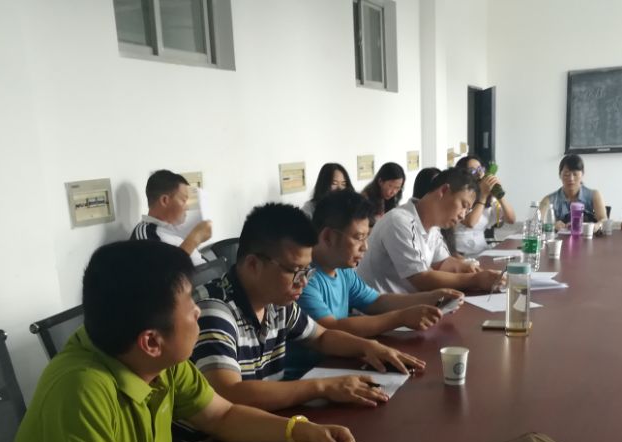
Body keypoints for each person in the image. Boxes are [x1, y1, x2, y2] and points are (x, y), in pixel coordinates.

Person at [3, 240, 363, 442]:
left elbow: (222, 415)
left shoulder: (153, 358)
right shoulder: (81, 388)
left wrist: (301, 432)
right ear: (151, 341)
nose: (198, 312)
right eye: (190, 305)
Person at [186, 202, 424, 418]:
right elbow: (230, 393)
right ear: (253, 264)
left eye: (307, 270)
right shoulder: (213, 310)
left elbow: (321, 336)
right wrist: (322, 387)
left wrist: (369, 347)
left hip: (265, 419)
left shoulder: (277, 301)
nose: (303, 281)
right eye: (294, 271)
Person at [286, 190, 464, 377]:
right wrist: (400, 317)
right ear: (328, 237)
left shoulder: (343, 270)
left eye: (366, 237)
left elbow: (376, 301)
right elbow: (331, 329)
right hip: (308, 373)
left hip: (338, 362)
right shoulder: (303, 279)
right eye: (358, 237)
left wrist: (430, 298)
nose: (365, 247)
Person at [356, 168, 504, 294]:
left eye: (467, 210)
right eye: (464, 205)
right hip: (378, 311)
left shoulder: (433, 226)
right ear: (444, 191)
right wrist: (475, 279)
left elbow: (443, 263)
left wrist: (468, 268)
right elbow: (421, 279)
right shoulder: (400, 221)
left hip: (406, 307)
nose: (463, 215)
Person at [129, 170, 213, 265]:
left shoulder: (177, 231)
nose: (187, 207)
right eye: (183, 200)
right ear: (165, 200)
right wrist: (194, 239)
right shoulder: (145, 234)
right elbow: (161, 271)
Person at [445, 154, 517, 257]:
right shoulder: (458, 195)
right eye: (472, 171)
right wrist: (483, 196)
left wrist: (499, 194)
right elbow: (470, 222)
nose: (479, 174)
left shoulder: (489, 198)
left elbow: (511, 220)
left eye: (480, 169)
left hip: (482, 251)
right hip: (460, 254)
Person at [540, 154, 608, 232]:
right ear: (560, 175)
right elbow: (536, 222)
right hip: (561, 239)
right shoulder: (549, 200)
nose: (571, 179)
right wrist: (552, 225)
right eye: (566, 174)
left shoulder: (594, 195)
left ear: (582, 174)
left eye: (575, 174)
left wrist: (596, 226)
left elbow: (603, 220)